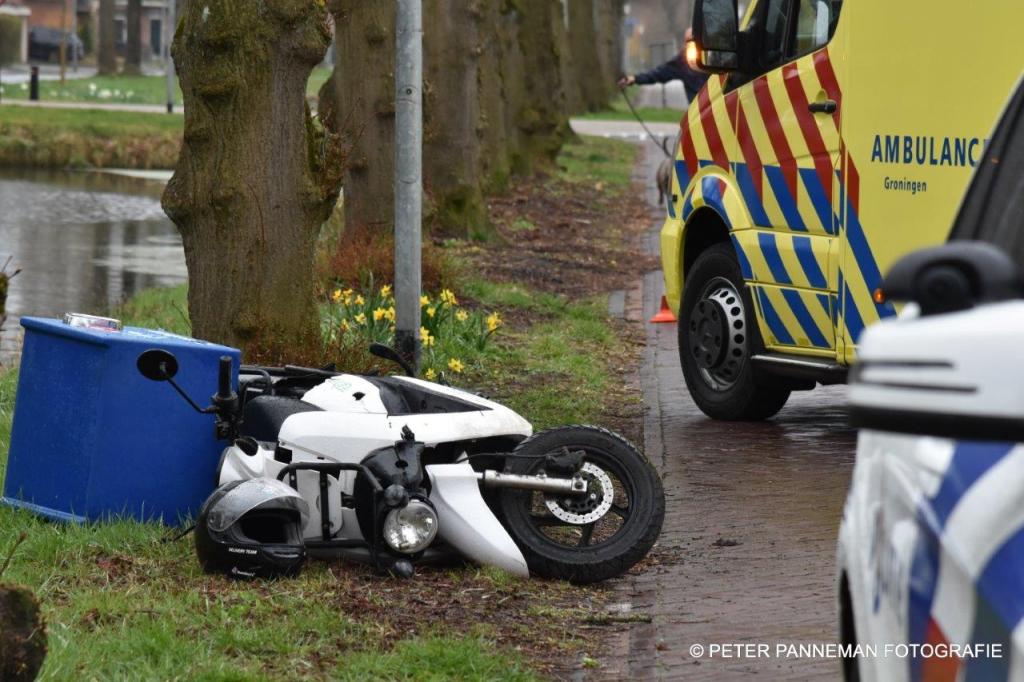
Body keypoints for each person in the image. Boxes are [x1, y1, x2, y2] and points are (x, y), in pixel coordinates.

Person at [618, 28, 710, 105]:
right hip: (699, 112)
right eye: (689, 42)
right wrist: (634, 78)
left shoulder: (715, 56)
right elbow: (658, 74)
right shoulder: (682, 61)